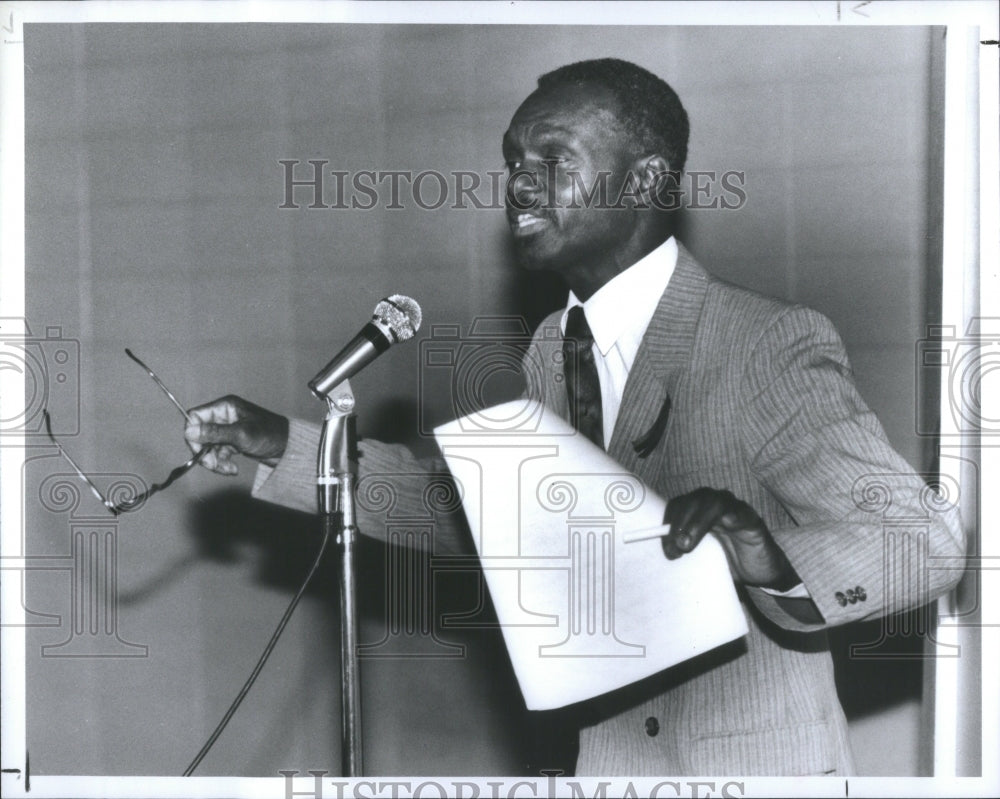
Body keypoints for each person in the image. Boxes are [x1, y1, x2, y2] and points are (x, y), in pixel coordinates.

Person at [184, 59, 965, 776]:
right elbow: (466, 512)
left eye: (552, 161)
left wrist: (769, 559)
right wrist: (283, 444)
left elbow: (922, 543)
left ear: (646, 179)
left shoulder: (763, 341)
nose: (520, 186)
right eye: (513, 164)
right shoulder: (552, 347)